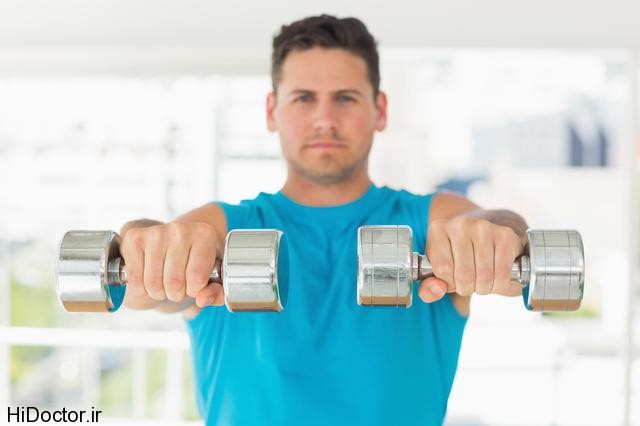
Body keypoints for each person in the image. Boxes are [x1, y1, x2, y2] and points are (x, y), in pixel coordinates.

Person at [119, 15, 528, 426]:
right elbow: (149, 270)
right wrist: (144, 247)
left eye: (345, 98)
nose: (325, 119)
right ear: (272, 111)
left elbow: (500, 229)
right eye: (303, 98)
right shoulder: (223, 229)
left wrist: (496, 235)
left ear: (380, 110)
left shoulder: (430, 222)